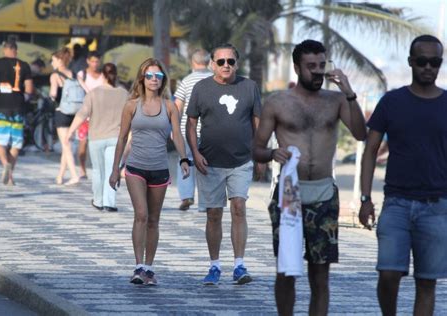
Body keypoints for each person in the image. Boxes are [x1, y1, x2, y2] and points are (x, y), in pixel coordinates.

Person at [253, 40, 366, 315]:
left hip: (324, 194)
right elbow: (256, 149)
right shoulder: (278, 102)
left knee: (320, 275)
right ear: (296, 68)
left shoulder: (336, 100)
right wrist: (272, 154)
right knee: (286, 271)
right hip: (290, 195)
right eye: (310, 66)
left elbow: (362, 134)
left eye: (321, 65)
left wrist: (349, 92)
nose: (317, 71)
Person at [359, 35, 447, 316]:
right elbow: (370, 151)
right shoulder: (391, 102)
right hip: (396, 203)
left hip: (437, 207)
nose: (428, 67)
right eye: (422, 61)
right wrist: (365, 198)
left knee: (426, 283)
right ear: (411, 62)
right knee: (387, 275)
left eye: (435, 62)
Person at [186, 43, 262, 285]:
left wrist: (260, 154)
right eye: (221, 62)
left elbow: (257, 121)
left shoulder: (249, 87)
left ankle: (239, 265)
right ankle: (214, 265)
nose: (226, 65)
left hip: (241, 160)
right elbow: (190, 123)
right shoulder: (201, 88)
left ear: (236, 64)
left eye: (230, 61)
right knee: (214, 214)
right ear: (212, 64)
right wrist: (195, 153)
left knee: (239, 207)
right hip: (210, 162)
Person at [109, 58, 190, 286]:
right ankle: (137, 266)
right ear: (142, 79)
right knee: (141, 215)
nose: (154, 79)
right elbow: (122, 138)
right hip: (135, 168)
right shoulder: (131, 105)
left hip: (160, 170)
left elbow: (177, 134)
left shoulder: (170, 106)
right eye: (149, 76)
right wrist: (115, 169)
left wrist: (184, 159)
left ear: (163, 79)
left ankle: (149, 268)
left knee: (154, 220)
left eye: (158, 76)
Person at [67, 63, 128, 212]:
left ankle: (98, 200)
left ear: (102, 75)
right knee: (112, 170)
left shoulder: (93, 93)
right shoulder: (124, 93)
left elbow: (83, 114)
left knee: (98, 171)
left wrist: (70, 131)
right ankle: (110, 202)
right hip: (116, 138)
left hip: (96, 138)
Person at [0, 40, 33, 185]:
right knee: (16, 143)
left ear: (4, 50)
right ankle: (10, 176)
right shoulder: (24, 65)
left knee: (0, 141)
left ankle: (5, 163)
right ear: (16, 51)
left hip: (0, 106)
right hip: (18, 107)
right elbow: (29, 90)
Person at [174, 48, 213, 211]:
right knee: (207, 164)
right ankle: (206, 201)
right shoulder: (214, 80)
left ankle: (187, 196)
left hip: (187, 129)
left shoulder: (187, 80)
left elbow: (178, 107)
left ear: (193, 62)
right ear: (209, 62)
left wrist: (173, 128)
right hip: (210, 130)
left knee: (186, 160)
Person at [49, 48, 81, 186]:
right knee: (67, 144)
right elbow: (85, 89)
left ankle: (74, 175)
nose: (52, 63)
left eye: (53, 60)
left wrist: (50, 96)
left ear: (60, 60)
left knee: (65, 145)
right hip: (74, 113)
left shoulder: (54, 75)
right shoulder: (74, 74)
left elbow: (54, 94)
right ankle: (60, 176)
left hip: (61, 112)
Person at [76, 51, 105, 180]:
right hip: (85, 114)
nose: (95, 64)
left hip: (101, 114)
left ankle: (99, 169)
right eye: (92, 61)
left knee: (101, 143)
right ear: (88, 61)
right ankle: (82, 169)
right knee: (83, 144)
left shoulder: (103, 76)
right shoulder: (82, 74)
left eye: (97, 61)